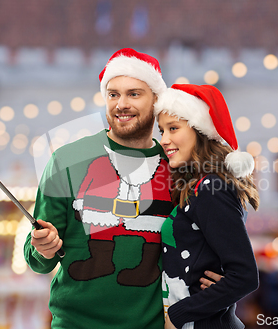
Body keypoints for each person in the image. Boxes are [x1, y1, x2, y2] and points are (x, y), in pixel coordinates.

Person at [24, 49, 220, 329]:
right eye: (113, 94)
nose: (121, 104)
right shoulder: (67, 160)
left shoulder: (178, 165)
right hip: (75, 324)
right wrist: (43, 248)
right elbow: (36, 259)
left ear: (156, 100)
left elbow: (209, 238)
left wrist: (222, 276)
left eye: (134, 94)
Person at [155, 84, 260, 329]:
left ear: (200, 130)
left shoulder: (210, 188)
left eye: (173, 128)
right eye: (162, 130)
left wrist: (178, 315)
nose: (164, 140)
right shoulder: (194, 186)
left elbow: (244, 276)